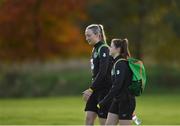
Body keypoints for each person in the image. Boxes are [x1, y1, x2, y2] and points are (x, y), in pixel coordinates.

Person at [98, 38, 136, 125]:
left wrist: (105, 100)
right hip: (117, 100)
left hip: (126, 101)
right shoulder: (116, 62)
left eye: (111, 47)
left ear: (118, 49)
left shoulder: (121, 63)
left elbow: (117, 85)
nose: (109, 49)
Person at [82, 24, 113, 125]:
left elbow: (103, 72)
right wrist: (93, 89)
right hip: (95, 90)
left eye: (89, 35)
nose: (87, 38)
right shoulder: (94, 49)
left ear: (98, 35)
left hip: (105, 90)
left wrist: (90, 89)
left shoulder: (104, 48)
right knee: (88, 119)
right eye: (86, 36)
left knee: (103, 122)